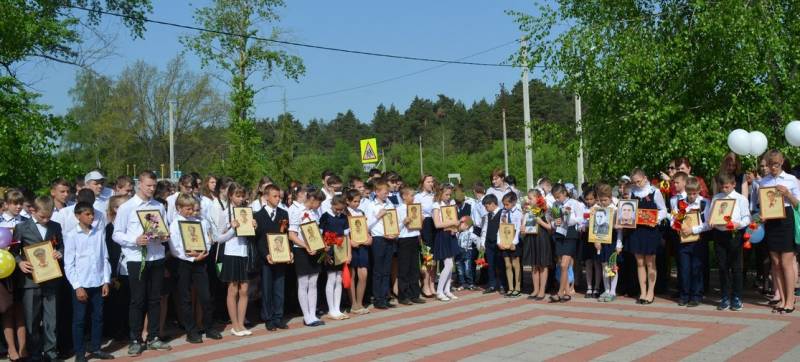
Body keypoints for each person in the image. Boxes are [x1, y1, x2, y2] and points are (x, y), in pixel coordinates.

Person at [112, 170, 172, 355]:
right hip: (137, 259)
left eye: (154, 186)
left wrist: (164, 236)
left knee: (155, 299)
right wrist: (134, 240)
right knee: (138, 300)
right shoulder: (127, 207)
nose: (152, 189)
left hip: (156, 256)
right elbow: (116, 234)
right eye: (148, 185)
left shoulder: (158, 206)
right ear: (140, 185)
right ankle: (136, 339)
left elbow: (163, 229)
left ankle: (153, 336)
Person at [167, 194, 224, 343]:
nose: (191, 212)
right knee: (185, 298)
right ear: (179, 208)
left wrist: (203, 251)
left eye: (193, 208)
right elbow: (175, 248)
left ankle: (209, 327)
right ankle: (191, 331)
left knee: (205, 296)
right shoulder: (174, 224)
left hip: (200, 262)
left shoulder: (199, 222)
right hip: (183, 263)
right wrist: (191, 257)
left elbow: (207, 240)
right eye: (188, 209)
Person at [12, 196, 63, 362]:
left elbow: (60, 245)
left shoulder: (56, 226)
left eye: (49, 216)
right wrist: (20, 263)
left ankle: (51, 352)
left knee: (51, 319)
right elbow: (13, 251)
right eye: (42, 217)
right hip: (30, 280)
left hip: (50, 278)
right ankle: (34, 353)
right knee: (31, 319)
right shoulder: (21, 227)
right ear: (33, 210)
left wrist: (59, 252)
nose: (46, 219)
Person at [63, 202, 114, 362]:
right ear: (78, 216)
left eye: (92, 214)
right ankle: (80, 353)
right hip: (81, 283)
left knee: (98, 317)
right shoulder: (71, 235)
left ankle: (96, 347)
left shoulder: (99, 233)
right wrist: (77, 287)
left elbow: (104, 258)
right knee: (79, 320)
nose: (91, 217)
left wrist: (106, 281)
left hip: (98, 282)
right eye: (87, 214)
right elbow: (69, 264)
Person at [758, 150, 800, 314]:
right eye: (770, 164)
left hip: (786, 220)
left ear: (782, 162)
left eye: (776, 164)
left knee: (786, 262)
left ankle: (790, 300)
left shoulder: (791, 179)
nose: (773, 167)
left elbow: (797, 204)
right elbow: (763, 205)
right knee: (775, 263)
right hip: (771, 222)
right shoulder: (764, 182)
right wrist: (763, 216)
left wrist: (788, 194)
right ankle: (782, 299)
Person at [217, 183, 255, 336]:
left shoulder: (247, 212)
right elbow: (219, 238)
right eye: (237, 196)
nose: (240, 199)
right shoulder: (225, 213)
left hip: (244, 252)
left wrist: (253, 226)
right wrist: (232, 228)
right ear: (230, 196)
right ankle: (234, 325)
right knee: (233, 289)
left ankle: (241, 323)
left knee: (245, 289)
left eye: (242, 196)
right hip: (231, 253)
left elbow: (250, 235)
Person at [627, 169, 668, 305]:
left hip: (650, 231)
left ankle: (651, 292)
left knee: (650, 262)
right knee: (639, 262)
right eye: (634, 182)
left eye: (638, 181)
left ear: (645, 178)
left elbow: (663, 210)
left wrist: (655, 220)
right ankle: (643, 291)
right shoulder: (631, 192)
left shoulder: (654, 192)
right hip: (637, 231)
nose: (637, 184)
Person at [253, 184, 291, 331]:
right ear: (266, 197)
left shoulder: (283, 213)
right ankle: (268, 317)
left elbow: (285, 235)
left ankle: (278, 316)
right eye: (274, 196)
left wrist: (288, 251)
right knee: (267, 288)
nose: (277, 199)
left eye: (279, 196)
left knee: (279, 288)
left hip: (280, 256)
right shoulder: (258, 216)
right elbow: (258, 239)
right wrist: (266, 254)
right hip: (266, 258)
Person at [288, 187, 325, 326]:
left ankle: (313, 314)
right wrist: (306, 246)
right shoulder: (296, 211)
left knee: (313, 282)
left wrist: (320, 244)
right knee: (303, 283)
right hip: (301, 250)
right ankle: (307, 315)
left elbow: (316, 232)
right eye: (319, 202)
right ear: (312, 199)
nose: (319, 206)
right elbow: (292, 235)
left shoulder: (314, 212)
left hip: (314, 250)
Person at [675, 177, 709, 307]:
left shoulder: (704, 203)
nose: (692, 196)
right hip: (683, 240)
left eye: (694, 193)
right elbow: (676, 219)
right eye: (689, 193)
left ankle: (696, 296)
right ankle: (684, 295)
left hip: (698, 240)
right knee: (684, 269)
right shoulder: (681, 203)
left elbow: (707, 224)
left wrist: (693, 230)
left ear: (699, 191)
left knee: (696, 269)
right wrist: (677, 227)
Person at [548, 184, 583, 303]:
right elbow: (552, 221)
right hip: (559, 234)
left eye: (558, 196)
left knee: (564, 265)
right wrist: (555, 222)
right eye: (555, 197)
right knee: (561, 264)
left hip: (570, 234)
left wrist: (568, 220)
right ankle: (567, 292)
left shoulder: (574, 203)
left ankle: (560, 292)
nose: (557, 199)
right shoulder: (555, 205)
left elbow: (580, 218)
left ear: (564, 193)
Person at [367, 181, 398, 309]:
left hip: (389, 238)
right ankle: (378, 298)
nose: (387, 194)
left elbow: (393, 220)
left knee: (386, 269)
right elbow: (367, 225)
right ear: (377, 192)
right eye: (385, 192)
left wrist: (395, 231)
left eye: (388, 192)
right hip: (378, 239)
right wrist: (378, 216)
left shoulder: (389, 203)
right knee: (378, 270)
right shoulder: (371, 205)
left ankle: (385, 296)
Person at [319, 195, 350, 320]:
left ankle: (337, 308)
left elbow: (347, 237)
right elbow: (320, 236)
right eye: (336, 209)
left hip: (341, 250)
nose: (338, 211)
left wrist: (349, 254)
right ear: (332, 205)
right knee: (331, 278)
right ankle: (331, 309)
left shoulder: (344, 218)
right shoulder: (325, 217)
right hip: (329, 250)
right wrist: (325, 253)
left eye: (341, 209)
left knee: (339, 279)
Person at [591, 184, 623, 303]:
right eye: (601, 200)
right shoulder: (596, 209)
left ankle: (613, 291)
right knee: (604, 266)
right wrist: (596, 240)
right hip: (602, 241)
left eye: (605, 200)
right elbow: (594, 227)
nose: (603, 202)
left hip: (613, 241)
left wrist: (619, 244)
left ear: (610, 198)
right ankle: (606, 289)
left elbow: (619, 230)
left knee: (612, 266)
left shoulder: (615, 209)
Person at [396, 186, 425, 304]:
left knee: (414, 267)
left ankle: (414, 294)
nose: (413, 198)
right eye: (411, 195)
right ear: (404, 196)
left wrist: (421, 220)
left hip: (414, 238)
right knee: (404, 268)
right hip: (404, 239)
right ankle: (403, 295)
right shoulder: (399, 209)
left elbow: (418, 226)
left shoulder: (415, 208)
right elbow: (396, 226)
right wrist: (404, 222)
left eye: (413, 195)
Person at [432, 184, 461, 301]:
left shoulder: (450, 204)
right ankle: (439, 291)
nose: (449, 197)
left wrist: (455, 227)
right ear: (440, 193)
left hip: (451, 235)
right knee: (448, 264)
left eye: (450, 194)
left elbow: (453, 221)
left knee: (451, 264)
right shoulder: (437, 205)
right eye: (446, 194)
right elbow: (437, 224)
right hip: (442, 236)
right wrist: (452, 222)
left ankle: (447, 290)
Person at [344, 189, 371, 314]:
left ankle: (360, 303)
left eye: (358, 201)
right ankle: (353, 303)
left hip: (362, 246)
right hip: (351, 247)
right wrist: (350, 241)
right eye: (354, 201)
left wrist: (369, 238)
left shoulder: (361, 212)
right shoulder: (345, 213)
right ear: (348, 201)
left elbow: (366, 229)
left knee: (363, 274)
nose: (357, 204)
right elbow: (344, 232)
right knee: (352, 275)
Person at [523, 189, 552, 301]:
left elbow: (550, 227)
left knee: (543, 264)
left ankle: (542, 290)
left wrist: (541, 222)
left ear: (538, 198)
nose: (528, 200)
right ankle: (535, 289)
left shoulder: (545, 210)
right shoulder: (528, 211)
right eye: (528, 198)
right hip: (531, 238)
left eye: (530, 198)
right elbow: (525, 225)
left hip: (542, 238)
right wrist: (523, 229)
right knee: (534, 265)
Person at [413, 175, 436, 297]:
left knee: (435, 256)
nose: (431, 184)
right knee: (427, 256)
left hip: (435, 225)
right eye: (428, 182)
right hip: (425, 225)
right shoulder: (418, 197)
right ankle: (425, 284)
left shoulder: (435, 195)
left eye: (432, 181)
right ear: (422, 183)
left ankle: (432, 283)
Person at [498, 192, 523, 297]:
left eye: (507, 204)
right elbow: (500, 227)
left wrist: (514, 243)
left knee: (515, 264)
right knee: (507, 265)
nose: (505, 206)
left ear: (513, 202)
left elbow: (517, 229)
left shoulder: (518, 213)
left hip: (514, 240)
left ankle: (518, 287)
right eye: (504, 204)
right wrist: (499, 242)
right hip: (505, 240)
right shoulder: (503, 212)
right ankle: (510, 287)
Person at [581, 189, 602, 298]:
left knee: (597, 263)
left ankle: (597, 287)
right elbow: (580, 222)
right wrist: (581, 226)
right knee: (588, 263)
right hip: (586, 237)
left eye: (591, 199)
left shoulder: (599, 208)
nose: (589, 201)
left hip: (596, 237)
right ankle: (589, 286)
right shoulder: (583, 208)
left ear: (595, 198)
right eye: (587, 199)